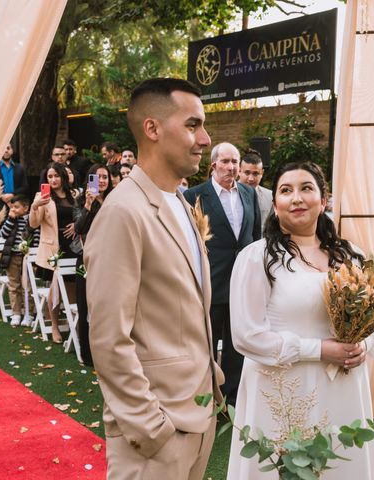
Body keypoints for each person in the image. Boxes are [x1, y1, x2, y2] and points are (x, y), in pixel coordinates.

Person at [84, 78, 223, 480]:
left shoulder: (180, 202)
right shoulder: (123, 212)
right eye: (193, 125)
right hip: (156, 434)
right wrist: (151, 429)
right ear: (153, 129)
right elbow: (109, 337)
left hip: (197, 416)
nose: (205, 138)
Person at [227, 161, 374, 480]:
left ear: (323, 200)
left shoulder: (352, 256)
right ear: (275, 206)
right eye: (286, 191)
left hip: (342, 389)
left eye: (306, 188)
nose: (296, 198)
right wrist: (319, 350)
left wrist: (363, 343)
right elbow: (245, 335)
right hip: (283, 391)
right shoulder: (257, 258)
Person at [184, 142, 261, 407]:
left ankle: (232, 402)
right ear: (213, 165)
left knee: (236, 348)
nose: (231, 167)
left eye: (235, 162)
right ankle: (203, 401)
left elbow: (255, 239)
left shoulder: (249, 195)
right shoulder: (194, 195)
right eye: (226, 161)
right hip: (210, 283)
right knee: (205, 346)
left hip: (242, 285)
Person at [29, 162, 77, 343]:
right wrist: (35, 207)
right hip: (53, 250)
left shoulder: (75, 194)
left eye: (56, 175)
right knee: (55, 290)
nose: (53, 179)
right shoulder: (41, 197)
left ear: (63, 176)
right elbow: (34, 224)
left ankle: (74, 324)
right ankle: (54, 326)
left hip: (74, 247)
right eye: (49, 176)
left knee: (72, 288)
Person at [72, 164, 113, 365]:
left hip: (112, 259)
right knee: (84, 306)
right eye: (97, 178)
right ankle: (87, 354)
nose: (102, 181)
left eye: (105, 177)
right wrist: (88, 205)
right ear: (90, 180)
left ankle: (107, 351)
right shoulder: (81, 200)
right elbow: (78, 228)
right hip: (87, 258)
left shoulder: (115, 200)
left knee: (108, 306)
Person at [0, 195, 40, 326]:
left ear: (26, 208)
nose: (14, 210)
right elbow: (3, 234)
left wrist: (33, 256)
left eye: (17, 207)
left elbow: (37, 238)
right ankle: (16, 313)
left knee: (27, 287)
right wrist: (10, 219)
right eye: (12, 207)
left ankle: (29, 313)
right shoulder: (11, 220)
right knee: (14, 285)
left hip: (27, 258)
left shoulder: (32, 221)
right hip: (12, 257)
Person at [0, 143, 29, 211]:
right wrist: (2, 196)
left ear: (12, 150)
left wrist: (12, 195)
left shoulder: (20, 168)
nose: (6, 150)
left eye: (8, 148)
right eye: (3, 148)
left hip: (17, 205)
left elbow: (25, 187)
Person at [238, 150, 272, 230]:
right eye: (247, 173)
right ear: (239, 171)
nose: (251, 179)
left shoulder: (270, 196)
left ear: (262, 173)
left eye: (255, 174)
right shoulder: (227, 194)